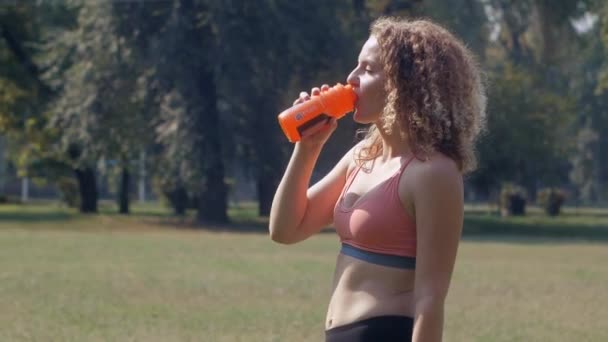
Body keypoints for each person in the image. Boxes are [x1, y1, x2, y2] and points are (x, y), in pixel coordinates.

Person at [269, 16, 486, 342]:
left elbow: (430, 299)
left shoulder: (433, 173)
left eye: (368, 70)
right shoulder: (362, 156)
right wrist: (307, 148)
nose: (351, 79)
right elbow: (285, 229)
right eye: (357, 67)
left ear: (405, 86)